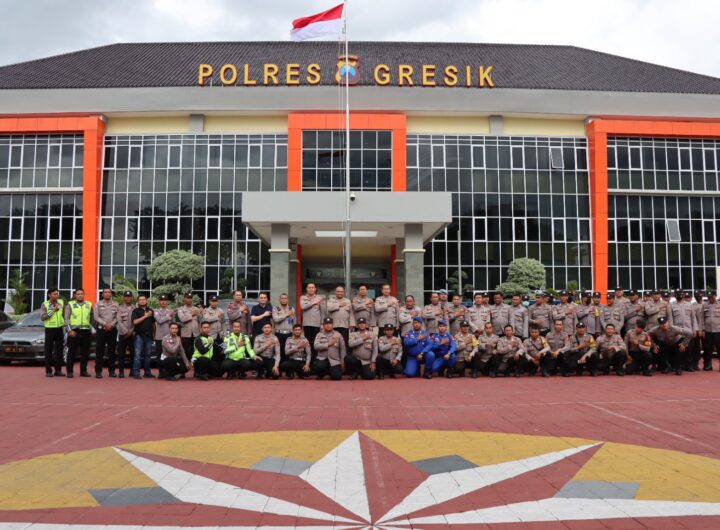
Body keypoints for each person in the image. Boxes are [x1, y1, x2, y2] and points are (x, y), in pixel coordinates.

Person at [64, 288, 93, 378]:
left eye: (82, 294)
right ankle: (69, 371)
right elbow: (66, 318)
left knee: (85, 353)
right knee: (71, 352)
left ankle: (83, 371)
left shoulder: (89, 304)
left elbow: (92, 318)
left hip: (86, 332)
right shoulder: (70, 304)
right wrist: (69, 330)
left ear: (84, 295)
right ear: (75, 295)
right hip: (74, 332)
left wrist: (92, 329)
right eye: (78, 294)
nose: (80, 295)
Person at [93, 287, 118, 378]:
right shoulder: (98, 304)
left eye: (109, 292)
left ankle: (112, 371)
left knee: (112, 351)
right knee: (99, 351)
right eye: (105, 292)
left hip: (112, 330)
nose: (107, 293)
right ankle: (98, 372)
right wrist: (105, 324)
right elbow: (96, 317)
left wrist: (111, 325)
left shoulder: (116, 304)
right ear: (102, 294)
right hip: (101, 330)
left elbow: (117, 317)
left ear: (111, 294)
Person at [40, 287, 65, 377]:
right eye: (54, 294)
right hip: (50, 329)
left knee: (59, 351)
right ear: (49, 295)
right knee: (48, 350)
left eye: (57, 294)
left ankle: (58, 370)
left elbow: (63, 315)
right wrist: (53, 311)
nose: (56, 295)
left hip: (59, 329)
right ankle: (48, 371)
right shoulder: (45, 304)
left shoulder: (61, 302)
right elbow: (43, 317)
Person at [131, 294, 155, 379]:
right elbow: (135, 322)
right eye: (140, 300)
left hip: (149, 336)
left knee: (147, 355)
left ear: (146, 301)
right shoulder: (135, 311)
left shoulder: (151, 311)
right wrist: (145, 316)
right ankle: (136, 373)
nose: (142, 301)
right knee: (137, 355)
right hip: (139, 335)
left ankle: (147, 372)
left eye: (144, 299)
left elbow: (153, 324)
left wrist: (154, 335)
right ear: (138, 301)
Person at [115, 290, 135, 378]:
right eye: (126, 297)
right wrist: (126, 331)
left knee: (133, 353)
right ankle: (121, 372)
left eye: (129, 296)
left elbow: (136, 322)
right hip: (122, 334)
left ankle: (132, 371)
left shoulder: (135, 308)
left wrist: (131, 331)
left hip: (133, 334)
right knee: (121, 354)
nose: (128, 298)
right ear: (123, 298)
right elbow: (119, 321)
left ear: (132, 298)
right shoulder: (119, 308)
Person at [301, 283, 324, 357]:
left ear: (315, 289)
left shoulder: (319, 298)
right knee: (307, 342)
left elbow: (323, 312)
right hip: (306, 324)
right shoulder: (303, 298)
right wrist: (313, 302)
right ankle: (308, 358)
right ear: (306, 289)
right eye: (309, 287)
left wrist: (322, 323)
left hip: (316, 324)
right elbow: (303, 307)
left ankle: (315, 357)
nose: (311, 289)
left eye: (312, 287)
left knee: (316, 341)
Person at [153, 295, 175, 369]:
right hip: (159, 337)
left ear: (167, 302)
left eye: (165, 300)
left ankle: (168, 371)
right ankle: (160, 371)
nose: (163, 302)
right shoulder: (156, 311)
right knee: (159, 355)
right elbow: (159, 321)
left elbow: (173, 323)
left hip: (169, 336)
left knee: (169, 354)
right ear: (159, 302)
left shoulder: (171, 311)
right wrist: (168, 316)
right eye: (161, 300)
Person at [177, 293, 202, 357]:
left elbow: (200, 321)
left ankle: (194, 362)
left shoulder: (196, 308)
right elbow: (182, 319)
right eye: (188, 298)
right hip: (185, 334)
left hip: (196, 333)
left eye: (190, 298)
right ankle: (186, 362)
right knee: (186, 351)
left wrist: (201, 313)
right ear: (184, 299)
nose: (189, 299)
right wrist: (192, 314)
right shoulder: (181, 309)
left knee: (196, 351)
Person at [272, 293, 295, 359]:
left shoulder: (291, 308)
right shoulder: (276, 308)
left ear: (287, 300)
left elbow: (293, 321)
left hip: (289, 333)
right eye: (282, 298)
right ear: (279, 300)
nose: (284, 300)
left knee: (288, 352)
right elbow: (276, 319)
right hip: (279, 333)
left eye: (285, 298)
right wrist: (286, 314)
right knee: (279, 352)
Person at [702, 290, 720, 371]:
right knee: (707, 349)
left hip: (718, 330)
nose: (710, 299)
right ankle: (708, 365)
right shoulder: (705, 305)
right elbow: (702, 318)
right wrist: (703, 329)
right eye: (709, 297)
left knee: (719, 348)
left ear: (715, 296)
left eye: (711, 297)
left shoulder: (719, 304)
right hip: (708, 330)